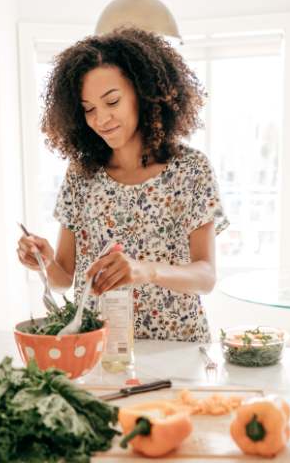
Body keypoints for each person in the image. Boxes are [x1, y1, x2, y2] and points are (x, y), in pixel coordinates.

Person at [16, 27, 228, 342]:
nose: (101, 119)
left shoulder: (190, 170)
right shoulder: (80, 176)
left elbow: (206, 277)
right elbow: (64, 278)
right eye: (89, 109)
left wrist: (146, 270)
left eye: (112, 101)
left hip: (176, 348)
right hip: (99, 348)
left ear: (142, 93)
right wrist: (44, 261)